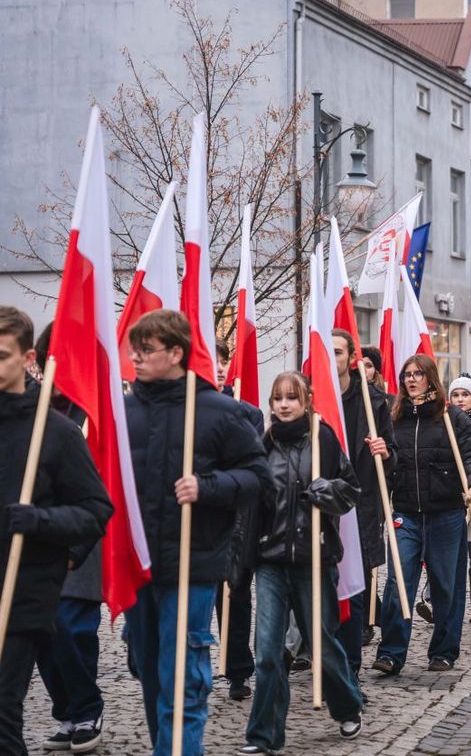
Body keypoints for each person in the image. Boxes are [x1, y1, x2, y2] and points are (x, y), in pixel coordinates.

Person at [123, 309, 271, 756]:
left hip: (193, 564)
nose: (135, 357)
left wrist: (207, 488)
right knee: (149, 672)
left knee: (184, 677)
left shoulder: (219, 412)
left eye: (145, 350)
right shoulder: (123, 410)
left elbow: (258, 477)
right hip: (138, 565)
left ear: (175, 352)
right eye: (134, 349)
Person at [0, 308, 112, 756]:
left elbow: (96, 510)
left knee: (2, 711)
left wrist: (41, 522)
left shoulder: (56, 432)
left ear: (28, 358)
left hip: (23, 590)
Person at [240, 372, 364, 755]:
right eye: (277, 397)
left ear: (306, 400)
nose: (283, 404)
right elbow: (253, 503)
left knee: (323, 645)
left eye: (291, 397)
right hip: (272, 560)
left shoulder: (323, 437)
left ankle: (347, 705)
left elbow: (351, 490)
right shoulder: (264, 443)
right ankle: (264, 736)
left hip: (313, 558)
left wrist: (328, 491)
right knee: (267, 651)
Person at [373, 354, 471, 676]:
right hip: (406, 513)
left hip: (446, 512)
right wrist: (382, 457)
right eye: (406, 374)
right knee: (397, 582)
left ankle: (444, 651)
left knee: (445, 585)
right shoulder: (394, 418)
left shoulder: (452, 417)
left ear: (430, 377)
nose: (411, 379)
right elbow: (389, 460)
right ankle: (392, 653)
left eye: (418, 374)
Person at [330, 330, 396, 678]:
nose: (333, 357)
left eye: (338, 352)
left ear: (351, 357)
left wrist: (385, 453)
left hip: (360, 503)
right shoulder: (312, 395)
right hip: (321, 504)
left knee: (354, 587)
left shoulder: (374, 401)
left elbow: (393, 455)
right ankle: (318, 655)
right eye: (327, 351)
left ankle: (350, 668)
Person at [213, 341, 263, 702]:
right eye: (210, 360)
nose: (217, 367)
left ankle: (238, 669)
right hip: (199, 515)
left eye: (222, 361)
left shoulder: (248, 412)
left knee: (236, 594)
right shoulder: (186, 409)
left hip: (238, 517)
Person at [448, 374, 471, 623]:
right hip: (451, 494)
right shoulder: (445, 422)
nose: (460, 399)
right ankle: (434, 598)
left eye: (465, 395)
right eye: (456, 395)